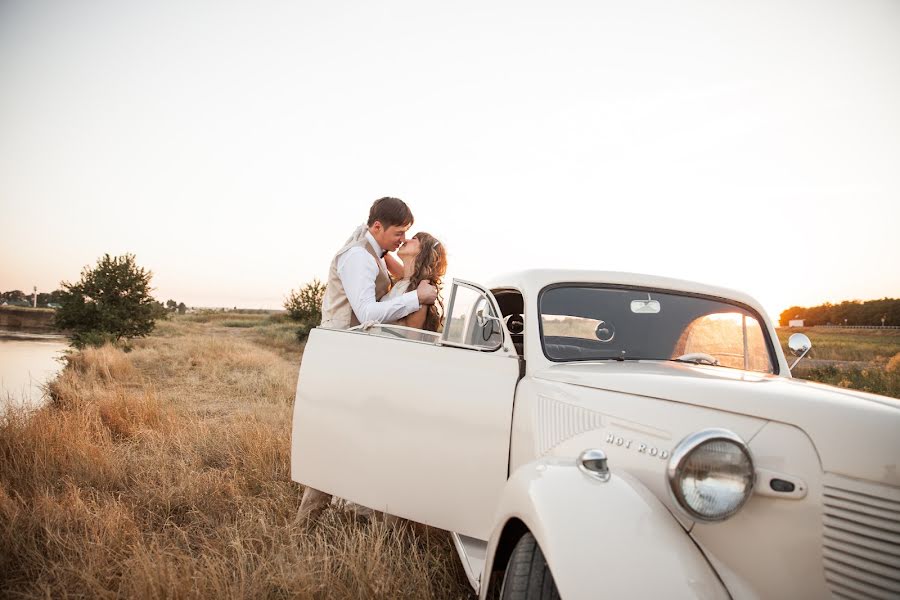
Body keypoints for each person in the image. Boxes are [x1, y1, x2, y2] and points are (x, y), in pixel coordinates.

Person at [297, 197, 438, 525]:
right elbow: (366, 313)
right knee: (343, 440)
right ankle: (325, 518)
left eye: (408, 234)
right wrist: (416, 296)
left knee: (355, 441)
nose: (403, 238)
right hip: (344, 359)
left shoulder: (376, 253)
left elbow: (405, 275)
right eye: (399, 232)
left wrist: (417, 284)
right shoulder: (360, 258)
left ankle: (361, 514)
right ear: (377, 227)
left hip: (365, 367)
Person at [382, 231, 447, 332]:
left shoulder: (422, 292)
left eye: (414, 239)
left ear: (424, 251)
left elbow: (412, 339)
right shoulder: (404, 279)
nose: (405, 240)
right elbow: (382, 253)